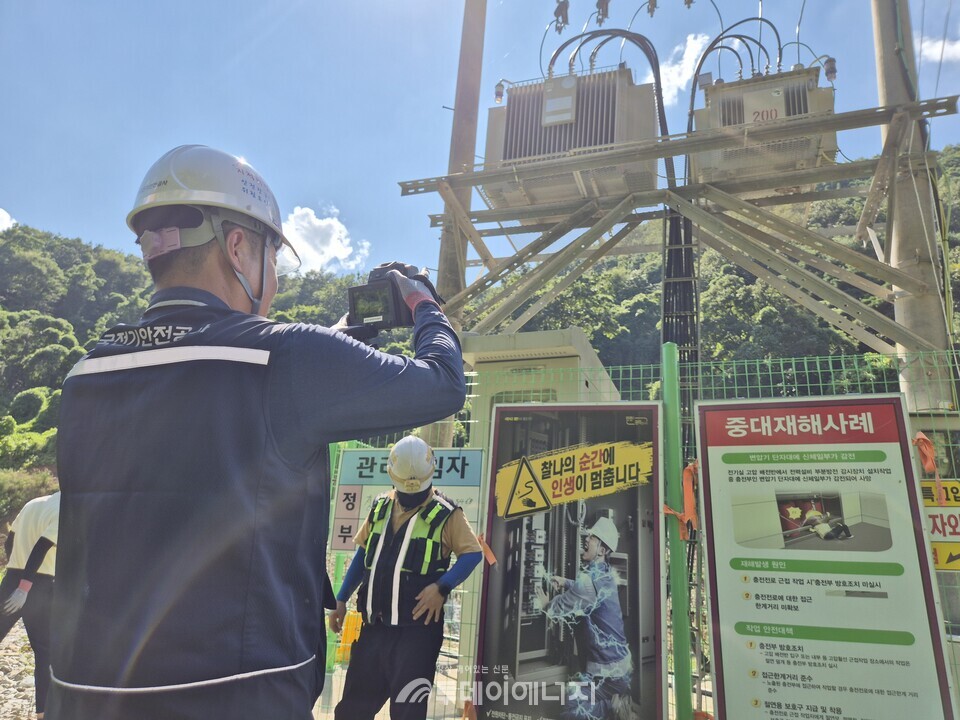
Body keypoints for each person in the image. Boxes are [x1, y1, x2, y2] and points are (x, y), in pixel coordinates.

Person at [46, 145, 466, 720]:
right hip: (243, 693)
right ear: (239, 246)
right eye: (274, 254)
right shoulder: (285, 360)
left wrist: (335, 343)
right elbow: (441, 384)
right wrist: (423, 304)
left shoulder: (86, 375)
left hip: (90, 691)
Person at [328, 435, 482, 720]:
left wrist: (442, 586)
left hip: (417, 638)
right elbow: (364, 556)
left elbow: (473, 554)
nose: (411, 495)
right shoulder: (380, 508)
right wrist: (341, 598)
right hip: (374, 631)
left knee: (407, 713)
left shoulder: (447, 515)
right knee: (351, 711)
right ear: (392, 476)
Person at [535, 516, 633, 720]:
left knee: (573, 710)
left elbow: (559, 608)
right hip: (620, 669)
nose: (586, 540)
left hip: (604, 673)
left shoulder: (588, 582)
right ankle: (611, 704)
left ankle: (608, 708)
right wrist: (567, 582)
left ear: (602, 550)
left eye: (592, 538)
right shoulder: (605, 574)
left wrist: (546, 605)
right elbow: (590, 593)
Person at [0, 491, 60, 720]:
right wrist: (25, 587)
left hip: (11, 580)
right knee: (44, 652)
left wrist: (15, 573)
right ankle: (43, 714)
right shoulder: (66, 507)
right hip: (38, 586)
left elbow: (10, 541)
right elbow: (43, 546)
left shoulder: (33, 503)